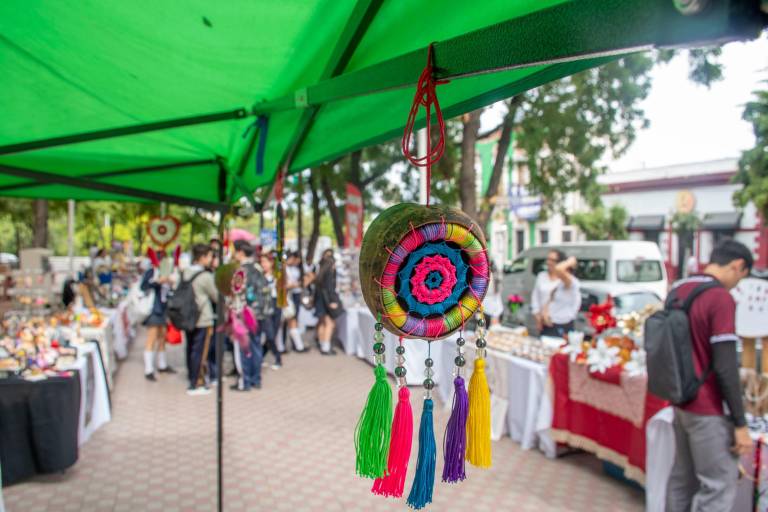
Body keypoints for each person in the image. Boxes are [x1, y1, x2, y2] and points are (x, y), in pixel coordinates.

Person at [666, 240, 753, 511]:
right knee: (717, 486)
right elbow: (725, 365)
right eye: (741, 277)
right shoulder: (720, 298)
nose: (737, 284)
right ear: (737, 266)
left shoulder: (678, 289)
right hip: (708, 407)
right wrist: (740, 423)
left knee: (682, 480)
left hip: (680, 399)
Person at [183, 244, 219, 396]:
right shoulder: (205, 276)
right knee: (200, 351)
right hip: (203, 318)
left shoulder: (185, 272)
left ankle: (192, 376)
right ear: (203, 257)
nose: (211, 260)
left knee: (191, 348)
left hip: (187, 317)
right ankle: (196, 382)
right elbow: (216, 296)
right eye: (210, 256)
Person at [231, 241, 263, 391]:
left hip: (244, 314)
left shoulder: (240, 271)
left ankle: (245, 381)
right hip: (259, 314)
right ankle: (256, 379)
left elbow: (235, 292)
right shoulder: (258, 267)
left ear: (240, 253)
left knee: (244, 347)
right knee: (256, 346)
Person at [140, 252, 176, 380]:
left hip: (164, 309)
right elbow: (143, 286)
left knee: (162, 338)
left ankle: (162, 365)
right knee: (152, 338)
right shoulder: (151, 272)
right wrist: (157, 282)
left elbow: (169, 292)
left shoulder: (167, 274)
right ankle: (148, 369)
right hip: (154, 310)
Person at [530, 250, 580, 337]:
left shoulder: (570, 282)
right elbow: (538, 298)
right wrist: (538, 316)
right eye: (548, 259)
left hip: (562, 324)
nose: (549, 262)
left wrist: (570, 261)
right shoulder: (542, 276)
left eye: (553, 260)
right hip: (547, 323)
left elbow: (558, 269)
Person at [314, 249, 342, 355]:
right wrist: (333, 301)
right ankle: (325, 348)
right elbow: (330, 288)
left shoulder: (321, 270)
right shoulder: (330, 271)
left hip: (320, 299)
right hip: (327, 300)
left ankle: (322, 345)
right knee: (330, 323)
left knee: (322, 322)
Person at [258, 252, 282, 369]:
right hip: (265, 308)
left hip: (276, 306)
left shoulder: (278, 275)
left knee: (272, 335)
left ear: (271, 263)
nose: (263, 264)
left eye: (265, 262)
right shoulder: (259, 276)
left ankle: (261, 356)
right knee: (270, 334)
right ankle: (277, 357)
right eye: (261, 262)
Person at [284, 251, 307, 352]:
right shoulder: (285, 268)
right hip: (289, 296)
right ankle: (298, 345)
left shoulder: (293, 268)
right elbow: (287, 285)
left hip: (293, 295)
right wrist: (296, 284)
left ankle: (296, 345)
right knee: (291, 320)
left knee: (293, 319)